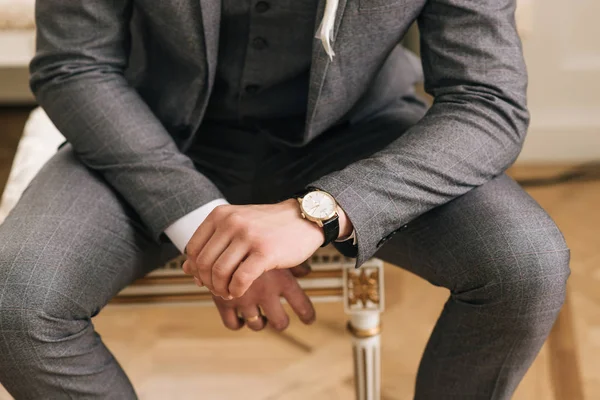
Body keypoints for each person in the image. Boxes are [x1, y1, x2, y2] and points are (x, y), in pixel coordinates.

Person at [0, 0, 570, 398]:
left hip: (358, 136)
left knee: (525, 263)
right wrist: (204, 226)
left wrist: (320, 211)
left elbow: (486, 99)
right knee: (13, 299)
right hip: (152, 133)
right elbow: (75, 65)